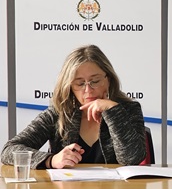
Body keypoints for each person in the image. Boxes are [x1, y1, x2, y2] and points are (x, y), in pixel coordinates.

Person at [1, 45, 147, 169]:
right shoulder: (59, 112)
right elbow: (9, 150)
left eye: (95, 81)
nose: (88, 90)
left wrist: (113, 111)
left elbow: (132, 159)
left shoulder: (128, 109)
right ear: (69, 86)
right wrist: (51, 160)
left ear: (108, 80)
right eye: (80, 83)